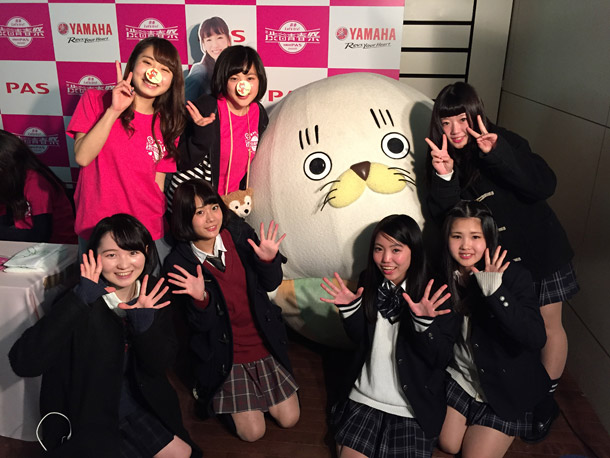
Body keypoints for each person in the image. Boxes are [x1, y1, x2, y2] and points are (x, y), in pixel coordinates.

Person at [424, 82, 578, 442]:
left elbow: (544, 185)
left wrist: (498, 153)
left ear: (476, 114)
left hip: (539, 249)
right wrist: (444, 175)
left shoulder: (503, 139)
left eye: (462, 119)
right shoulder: (442, 157)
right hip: (495, 264)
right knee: (505, 327)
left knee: (548, 325)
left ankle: (544, 400)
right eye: (446, 122)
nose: (455, 130)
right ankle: (511, 392)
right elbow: (446, 218)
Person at [9, 213, 199, 457]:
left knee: (184, 453)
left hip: (138, 402)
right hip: (89, 413)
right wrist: (79, 301)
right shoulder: (79, 299)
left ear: (146, 251)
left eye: (132, 252)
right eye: (111, 255)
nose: (124, 264)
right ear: (94, 256)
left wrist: (144, 327)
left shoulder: (153, 291)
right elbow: (24, 362)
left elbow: (158, 365)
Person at [163, 179, 299, 442]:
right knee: (253, 433)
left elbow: (270, 284)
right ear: (184, 218)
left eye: (214, 207)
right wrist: (201, 299)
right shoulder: (179, 264)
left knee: (289, 418)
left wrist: (268, 261)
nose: (210, 218)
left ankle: (250, 399)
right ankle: (217, 397)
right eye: (199, 212)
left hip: (262, 341)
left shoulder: (239, 234)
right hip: (225, 353)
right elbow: (198, 327)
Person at [320, 214, 458, 458]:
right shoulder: (368, 280)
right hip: (365, 396)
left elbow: (441, 358)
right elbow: (360, 341)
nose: (385, 259)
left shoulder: (434, 292)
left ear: (414, 251)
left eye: (396, 250)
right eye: (378, 249)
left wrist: (425, 325)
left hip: (411, 406)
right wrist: (350, 311)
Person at [437, 200, 550, 458]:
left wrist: (495, 291)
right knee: (449, 444)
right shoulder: (444, 274)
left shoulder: (514, 275)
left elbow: (535, 338)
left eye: (475, 237)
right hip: (463, 378)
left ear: (489, 238)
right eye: (457, 236)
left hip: (505, 387)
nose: (466, 245)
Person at [67, 37, 186, 261]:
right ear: (132, 64)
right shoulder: (95, 101)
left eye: (165, 69)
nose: (154, 73)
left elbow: (158, 185)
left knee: (150, 285)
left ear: (173, 80)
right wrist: (114, 110)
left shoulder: (169, 123)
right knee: (96, 285)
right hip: (97, 228)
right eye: (147, 62)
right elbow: (82, 157)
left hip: (147, 231)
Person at [168, 45, 268, 203]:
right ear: (223, 80)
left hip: (233, 203)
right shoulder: (207, 108)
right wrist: (201, 134)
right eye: (234, 79)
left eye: (250, 78)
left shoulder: (259, 113)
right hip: (201, 204)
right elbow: (183, 163)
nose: (243, 86)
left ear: (259, 80)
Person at [0, 130, 76, 244]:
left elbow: (41, 234)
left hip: (58, 247)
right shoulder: (9, 181)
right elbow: (3, 221)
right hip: (26, 245)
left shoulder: (36, 183)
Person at [184, 16, 232, 103]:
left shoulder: (235, 67)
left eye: (219, 38)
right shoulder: (200, 70)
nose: (215, 45)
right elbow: (185, 103)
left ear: (229, 40)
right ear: (203, 44)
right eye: (209, 40)